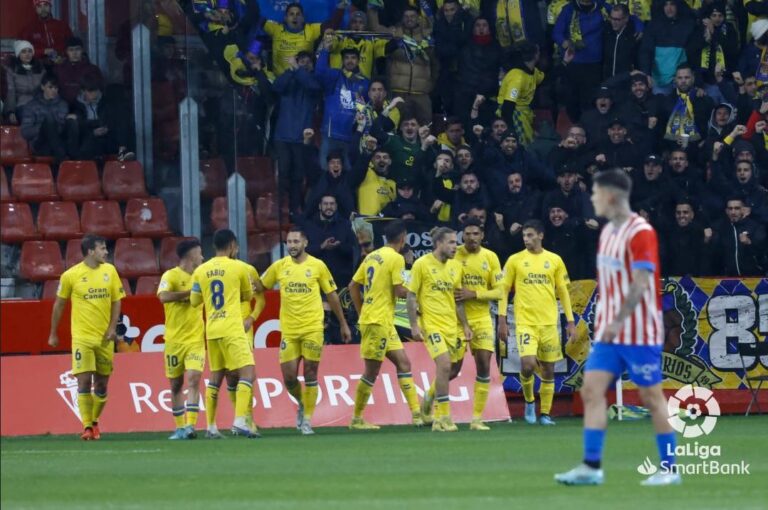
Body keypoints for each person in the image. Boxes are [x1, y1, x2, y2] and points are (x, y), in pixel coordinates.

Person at [555, 169, 680, 487]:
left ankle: (669, 469)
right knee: (591, 390)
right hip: (610, 333)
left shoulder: (641, 232)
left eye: (595, 194)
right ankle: (591, 466)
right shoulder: (608, 232)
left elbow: (640, 283)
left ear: (610, 196)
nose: (592, 199)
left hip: (637, 332)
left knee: (651, 397)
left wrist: (619, 320)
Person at [255, 228, 352, 435]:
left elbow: (332, 295)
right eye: (289, 242)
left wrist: (343, 323)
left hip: (312, 328)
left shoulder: (317, 266)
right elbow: (261, 287)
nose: (292, 245)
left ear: (305, 243)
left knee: (310, 372)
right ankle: (301, 402)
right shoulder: (279, 267)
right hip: (289, 331)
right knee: (289, 378)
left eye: (296, 241)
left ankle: (307, 420)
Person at [47, 234, 126, 441]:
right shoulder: (70, 276)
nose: (106, 252)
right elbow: (59, 304)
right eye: (102, 248)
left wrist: (112, 329)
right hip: (82, 337)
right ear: (90, 251)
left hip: (104, 339)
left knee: (101, 385)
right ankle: (87, 427)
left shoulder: (110, 272)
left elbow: (117, 301)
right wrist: (53, 333)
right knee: (83, 382)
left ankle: (94, 421)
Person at [498, 220, 576, 426]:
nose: (526, 239)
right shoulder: (515, 260)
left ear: (541, 235)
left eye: (530, 235)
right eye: (524, 236)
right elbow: (503, 291)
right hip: (525, 323)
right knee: (528, 365)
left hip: (549, 323)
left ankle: (546, 414)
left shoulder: (555, 260)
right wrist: (502, 319)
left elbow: (563, 293)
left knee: (549, 369)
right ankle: (530, 402)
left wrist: (570, 321)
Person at [348, 220, 424, 429]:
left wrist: (361, 309)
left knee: (404, 363)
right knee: (371, 372)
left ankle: (417, 415)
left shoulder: (373, 255)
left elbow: (353, 285)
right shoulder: (397, 258)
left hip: (381, 320)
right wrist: (418, 290)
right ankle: (356, 419)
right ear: (403, 237)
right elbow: (400, 291)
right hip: (377, 321)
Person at [190, 229, 259, 439]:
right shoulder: (239, 267)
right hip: (232, 328)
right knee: (248, 373)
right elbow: (247, 296)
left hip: (212, 330)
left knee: (216, 377)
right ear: (231, 246)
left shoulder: (201, 270)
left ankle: (211, 426)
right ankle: (239, 422)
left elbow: (194, 302)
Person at [406, 227, 472, 432]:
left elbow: (458, 300)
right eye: (451, 242)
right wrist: (414, 325)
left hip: (452, 326)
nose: (456, 246)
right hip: (431, 326)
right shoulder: (421, 264)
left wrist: (465, 325)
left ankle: (428, 395)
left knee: (453, 370)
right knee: (443, 364)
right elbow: (411, 296)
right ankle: (442, 417)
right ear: (438, 244)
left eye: (456, 242)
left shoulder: (455, 268)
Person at [453, 218, 505, 430]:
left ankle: (476, 418)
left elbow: (500, 291)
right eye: (468, 234)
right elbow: (454, 292)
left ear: (482, 235)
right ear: (462, 235)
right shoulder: (454, 254)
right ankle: (431, 404)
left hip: (482, 318)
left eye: (476, 234)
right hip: (457, 319)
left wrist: (474, 293)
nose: (472, 238)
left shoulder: (490, 257)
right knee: (451, 369)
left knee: (483, 364)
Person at [157, 239, 205, 440]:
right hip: (174, 341)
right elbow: (163, 296)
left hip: (195, 339)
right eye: (199, 253)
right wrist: (188, 294)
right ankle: (179, 427)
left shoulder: (201, 276)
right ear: (189, 255)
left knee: (194, 378)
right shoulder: (171, 275)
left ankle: (190, 426)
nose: (202, 257)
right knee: (176, 385)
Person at [273, 51, 322, 216]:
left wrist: (298, 70)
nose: (304, 64)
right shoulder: (289, 77)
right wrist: (291, 70)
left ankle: (295, 209)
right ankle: (279, 208)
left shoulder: (313, 81)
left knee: (298, 174)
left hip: (302, 136)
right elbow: (277, 87)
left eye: (308, 61)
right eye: (301, 61)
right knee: (284, 173)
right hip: (283, 135)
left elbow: (314, 87)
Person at [316, 35, 370, 169]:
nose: (349, 61)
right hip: (330, 133)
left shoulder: (364, 83)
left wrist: (364, 131)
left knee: (348, 172)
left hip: (349, 136)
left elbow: (363, 109)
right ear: (342, 60)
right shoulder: (335, 76)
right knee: (324, 169)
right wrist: (325, 51)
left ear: (358, 61)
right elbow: (319, 72)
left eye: (353, 58)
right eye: (346, 58)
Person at [385, 6, 439, 123]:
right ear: (402, 18)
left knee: (425, 127)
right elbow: (386, 59)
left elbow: (435, 64)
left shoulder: (427, 37)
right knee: (397, 126)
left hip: (421, 94)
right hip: (398, 92)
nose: (409, 19)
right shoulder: (395, 35)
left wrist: (431, 85)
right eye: (406, 16)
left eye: (412, 16)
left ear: (418, 18)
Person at [305, 194, 355, 292]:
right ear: (320, 206)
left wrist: (339, 246)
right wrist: (321, 247)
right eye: (325, 204)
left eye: (332, 204)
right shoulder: (309, 226)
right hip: (315, 279)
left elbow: (353, 250)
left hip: (341, 280)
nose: (329, 207)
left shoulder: (345, 225)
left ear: (336, 206)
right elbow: (304, 251)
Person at [498, 41, 543, 147]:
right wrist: (511, 131)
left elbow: (547, 79)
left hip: (524, 115)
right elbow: (507, 107)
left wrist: (564, 62)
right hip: (514, 116)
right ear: (536, 55)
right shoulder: (517, 77)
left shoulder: (533, 72)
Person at [20, 73, 69, 161]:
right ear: (42, 87)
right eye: (50, 87)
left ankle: (60, 159)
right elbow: (25, 132)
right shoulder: (31, 105)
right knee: (48, 120)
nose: (54, 91)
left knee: (52, 122)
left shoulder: (63, 104)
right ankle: (62, 157)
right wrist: (43, 128)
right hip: (40, 143)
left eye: (56, 88)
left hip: (58, 141)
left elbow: (63, 128)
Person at [3, 40, 44, 124]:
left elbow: (47, 86)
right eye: (24, 52)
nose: (27, 54)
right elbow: (11, 92)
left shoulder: (40, 68)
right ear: (18, 54)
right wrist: (10, 111)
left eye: (29, 51)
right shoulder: (13, 70)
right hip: (22, 105)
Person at [54, 36, 104, 105]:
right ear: (66, 52)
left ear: (82, 50)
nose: (74, 53)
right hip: (62, 106)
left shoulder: (92, 69)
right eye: (71, 50)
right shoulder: (59, 69)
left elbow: (99, 91)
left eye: (77, 49)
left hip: (85, 106)